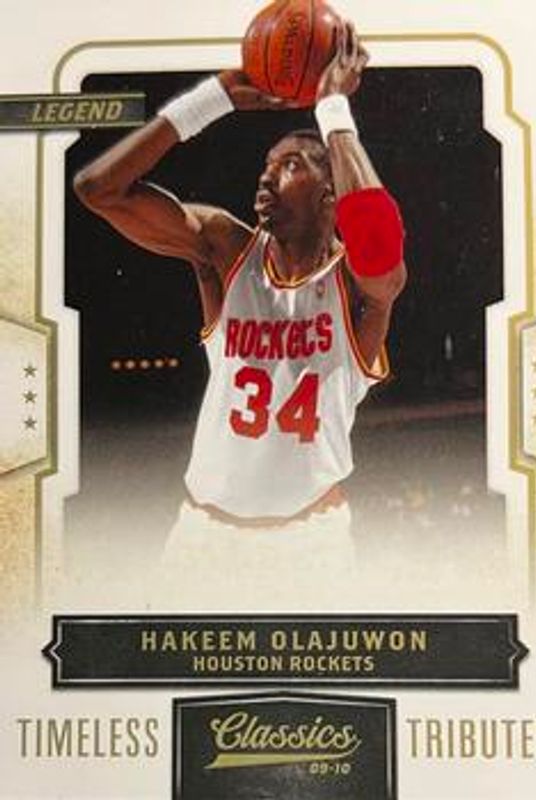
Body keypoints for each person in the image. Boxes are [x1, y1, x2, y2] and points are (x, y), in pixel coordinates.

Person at [74, 23, 406, 604]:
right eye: (266, 164)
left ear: (331, 194)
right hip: (205, 537)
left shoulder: (357, 285)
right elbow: (97, 188)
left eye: (291, 165)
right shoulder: (226, 248)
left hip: (311, 543)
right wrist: (212, 98)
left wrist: (333, 109)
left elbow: (378, 245)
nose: (267, 175)